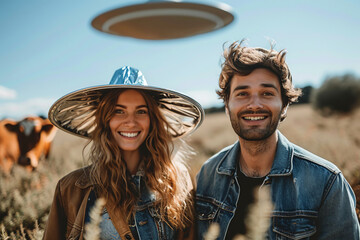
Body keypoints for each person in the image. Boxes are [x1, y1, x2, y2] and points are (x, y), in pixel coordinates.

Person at [195, 41, 360, 240]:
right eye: (242, 94)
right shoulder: (207, 175)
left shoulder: (327, 182)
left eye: (267, 93)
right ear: (227, 106)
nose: (254, 104)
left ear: (284, 106)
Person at [43, 66, 204, 240]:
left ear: (152, 120)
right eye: (119, 111)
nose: (130, 122)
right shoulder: (70, 189)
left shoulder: (179, 181)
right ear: (106, 119)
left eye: (141, 111)